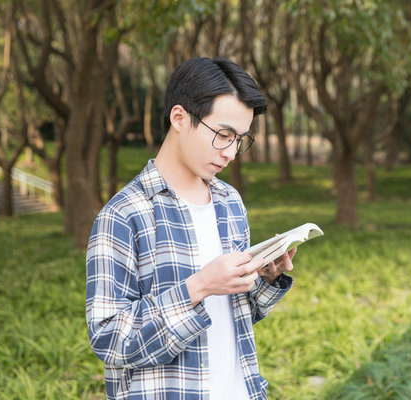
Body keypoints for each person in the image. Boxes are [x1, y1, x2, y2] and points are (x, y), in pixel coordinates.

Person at [86, 57, 296, 400]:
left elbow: (236, 316)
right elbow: (110, 341)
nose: (230, 153)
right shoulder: (124, 215)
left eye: (239, 139)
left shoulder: (229, 202)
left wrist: (266, 280)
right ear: (180, 118)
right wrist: (198, 287)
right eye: (223, 135)